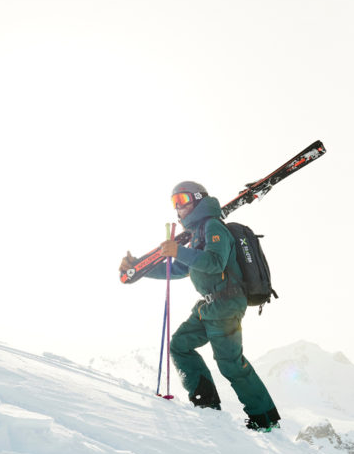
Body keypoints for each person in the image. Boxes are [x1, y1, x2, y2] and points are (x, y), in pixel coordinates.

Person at [119, 181, 281, 432]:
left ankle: (265, 419)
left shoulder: (213, 226)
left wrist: (177, 251)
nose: (178, 208)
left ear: (196, 199)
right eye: (174, 202)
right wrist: (139, 271)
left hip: (226, 303)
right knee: (180, 346)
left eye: (182, 200)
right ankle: (206, 404)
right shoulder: (197, 233)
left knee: (230, 363)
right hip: (208, 306)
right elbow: (182, 268)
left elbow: (215, 262)